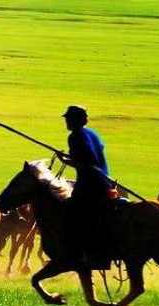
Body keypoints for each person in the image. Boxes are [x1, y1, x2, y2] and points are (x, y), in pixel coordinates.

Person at [56, 105, 114, 268]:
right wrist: (68, 159)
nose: (66, 121)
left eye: (69, 118)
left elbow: (88, 162)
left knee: (70, 216)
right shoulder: (92, 133)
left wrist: (67, 161)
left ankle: (78, 255)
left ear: (76, 120)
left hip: (90, 184)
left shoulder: (75, 136)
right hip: (104, 180)